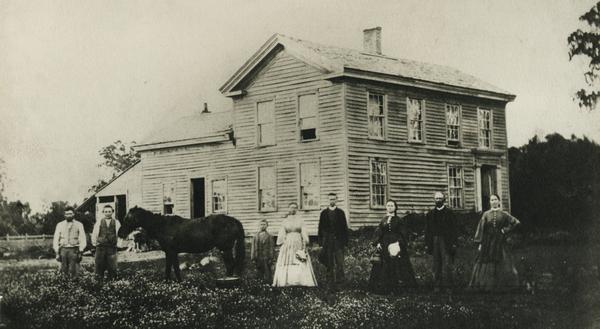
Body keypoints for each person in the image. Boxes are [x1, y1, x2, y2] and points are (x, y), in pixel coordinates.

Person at [469, 193, 520, 291]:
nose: (494, 202)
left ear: (499, 201)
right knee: (486, 261)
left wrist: (505, 230)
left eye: (495, 199)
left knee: (503, 259)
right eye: (492, 200)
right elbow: (481, 228)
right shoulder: (486, 214)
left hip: (500, 241)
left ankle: (502, 285)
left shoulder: (504, 214)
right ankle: (487, 285)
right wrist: (480, 242)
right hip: (488, 241)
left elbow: (516, 222)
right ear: (490, 202)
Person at [369, 199, 417, 294]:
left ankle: (398, 288)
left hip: (395, 244)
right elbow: (379, 232)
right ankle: (383, 288)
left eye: (392, 205)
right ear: (386, 207)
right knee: (383, 265)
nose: (390, 207)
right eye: (388, 205)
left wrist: (398, 243)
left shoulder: (399, 220)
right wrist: (378, 242)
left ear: (395, 208)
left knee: (398, 265)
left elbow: (403, 233)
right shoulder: (383, 220)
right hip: (384, 244)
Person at [273, 202, 317, 287]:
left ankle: (300, 280)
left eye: (294, 208)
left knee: (298, 259)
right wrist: (283, 242)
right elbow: (282, 232)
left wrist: (305, 241)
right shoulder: (285, 221)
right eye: (291, 208)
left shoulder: (300, 220)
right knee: (288, 259)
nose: (293, 209)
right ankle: (286, 281)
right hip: (288, 242)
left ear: (296, 209)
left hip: (298, 241)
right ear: (289, 209)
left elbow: (303, 231)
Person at [425, 192, 458, 292]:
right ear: (434, 200)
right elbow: (427, 230)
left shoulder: (450, 213)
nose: (438, 200)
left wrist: (454, 242)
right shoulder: (430, 214)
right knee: (436, 264)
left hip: (446, 240)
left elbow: (454, 229)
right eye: (436, 198)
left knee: (447, 263)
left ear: (444, 200)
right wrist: (427, 244)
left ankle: (448, 286)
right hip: (434, 240)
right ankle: (437, 285)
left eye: (440, 198)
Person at [317, 193, 349, 285]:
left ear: (336, 200)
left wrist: (345, 242)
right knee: (329, 261)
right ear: (328, 200)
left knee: (340, 262)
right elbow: (320, 228)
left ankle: (340, 281)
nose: (332, 201)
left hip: (338, 241)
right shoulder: (323, 213)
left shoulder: (341, 213)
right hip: (328, 241)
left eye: (333, 199)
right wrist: (321, 242)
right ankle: (329, 281)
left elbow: (344, 228)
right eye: (330, 199)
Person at [52, 206, 87, 276]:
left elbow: (82, 238)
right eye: (67, 214)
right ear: (64, 215)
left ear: (73, 214)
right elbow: (56, 239)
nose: (69, 215)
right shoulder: (60, 225)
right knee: (63, 269)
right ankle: (64, 284)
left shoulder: (79, 224)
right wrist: (57, 252)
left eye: (70, 214)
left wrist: (81, 250)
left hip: (74, 249)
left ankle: (75, 284)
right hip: (63, 249)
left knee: (74, 270)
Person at [91, 205, 121, 281]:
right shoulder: (99, 222)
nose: (108, 213)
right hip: (101, 247)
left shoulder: (116, 222)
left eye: (109, 211)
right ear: (103, 212)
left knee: (112, 265)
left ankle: (112, 280)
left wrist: (119, 244)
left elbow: (120, 234)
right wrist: (94, 243)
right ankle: (98, 281)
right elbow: (95, 233)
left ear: (112, 212)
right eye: (106, 211)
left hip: (112, 247)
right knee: (99, 265)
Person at [251, 219, 275, 284]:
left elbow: (271, 248)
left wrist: (271, 258)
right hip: (258, 257)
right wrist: (253, 257)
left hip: (266, 258)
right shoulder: (255, 236)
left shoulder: (270, 236)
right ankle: (259, 285)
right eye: (261, 224)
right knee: (258, 273)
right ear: (259, 226)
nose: (262, 226)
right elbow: (253, 247)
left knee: (267, 273)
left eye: (264, 224)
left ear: (267, 226)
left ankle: (268, 285)